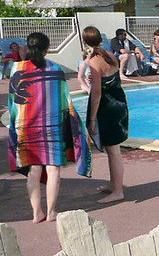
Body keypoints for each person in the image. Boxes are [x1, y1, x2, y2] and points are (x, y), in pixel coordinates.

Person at [7, 32, 92, 222]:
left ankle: (36, 213)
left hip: (26, 127)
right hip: (51, 127)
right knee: (53, 170)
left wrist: (14, 127)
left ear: (28, 47)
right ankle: (51, 212)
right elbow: (65, 102)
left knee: (34, 170)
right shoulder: (55, 69)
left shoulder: (17, 69)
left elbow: (13, 102)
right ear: (47, 49)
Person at [84, 26, 129, 204]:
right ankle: (113, 185)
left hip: (107, 107)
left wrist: (92, 119)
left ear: (84, 42)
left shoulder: (94, 61)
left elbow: (96, 93)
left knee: (113, 151)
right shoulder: (109, 54)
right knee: (112, 150)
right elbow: (110, 77)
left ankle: (118, 191)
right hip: (119, 102)